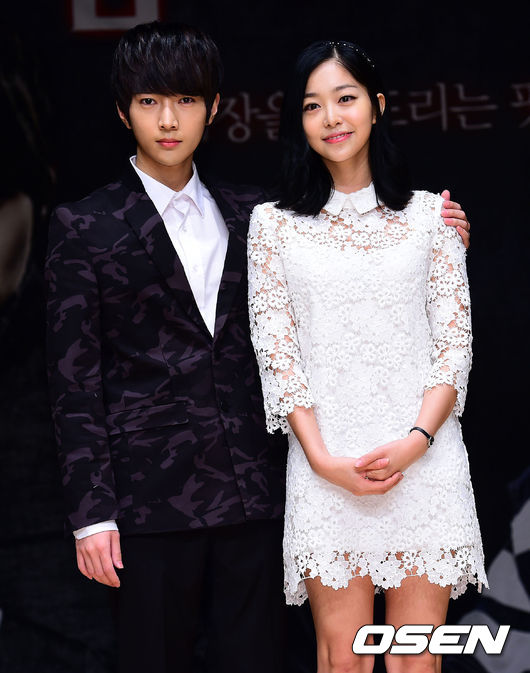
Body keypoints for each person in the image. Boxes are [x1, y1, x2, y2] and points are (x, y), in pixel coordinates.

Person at [45, 22, 470, 672]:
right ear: (123, 112)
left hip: (254, 495)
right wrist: (91, 513)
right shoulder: (85, 225)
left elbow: (358, 276)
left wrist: (442, 238)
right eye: (150, 101)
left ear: (214, 108)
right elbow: (73, 383)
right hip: (149, 504)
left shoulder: (257, 216)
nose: (168, 120)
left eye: (186, 100)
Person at [247, 40, 486, 673]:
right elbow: (277, 354)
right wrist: (322, 460)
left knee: (416, 662)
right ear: (298, 121)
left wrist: (415, 441)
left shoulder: (433, 217)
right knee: (343, 660)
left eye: (345, 98)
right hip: (326, 465)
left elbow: (453, 349)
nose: (331, 118)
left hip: (423, 462)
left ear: (377, 106)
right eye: (312, 106)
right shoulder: (272, 226)